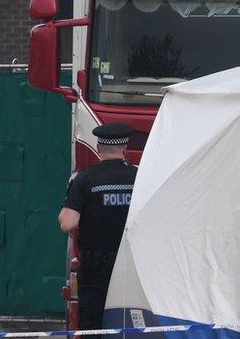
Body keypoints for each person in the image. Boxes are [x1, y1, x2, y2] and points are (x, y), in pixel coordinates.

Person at [58, 123, 137, 330]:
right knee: (132, 323)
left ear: (98, 148)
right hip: (131, 265)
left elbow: (68, 223)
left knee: (93, 325)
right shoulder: (139, 177)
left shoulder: (85, 178)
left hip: (96, 268)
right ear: (125, 149)